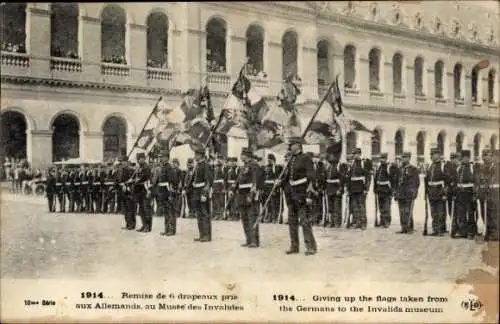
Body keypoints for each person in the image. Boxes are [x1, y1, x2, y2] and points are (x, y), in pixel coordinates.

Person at [280, 136, 317, 255]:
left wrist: (309, 195)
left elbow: (311, 177)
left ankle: (311, 247)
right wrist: (279, 183)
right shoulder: (291, 159)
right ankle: (294, 246)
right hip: (291, 196)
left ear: (298, 145)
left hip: (301, 195)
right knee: (292, 222)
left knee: (305, 222)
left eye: (291, 145)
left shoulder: (306, 158)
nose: (290, 147)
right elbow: (287, 178)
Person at [238, 148, 261, 248]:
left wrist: (251, 195)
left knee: (252, 217)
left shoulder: (254, 165)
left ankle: (254, 241)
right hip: (242, 195)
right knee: (245, 218)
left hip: (249, 195)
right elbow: (239, 180)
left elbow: (255, 182)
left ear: (246, 155)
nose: (241, 156)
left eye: (242, 154)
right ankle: (248, 239)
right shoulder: (245, 166)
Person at [452, 150, 477, 239]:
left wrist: (475, 194)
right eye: (462, 158)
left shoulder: (472, 167)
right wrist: (455, 190)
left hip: (469, 192)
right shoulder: (458, 168)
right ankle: (463, 231)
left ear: (468, 158)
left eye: (465, 158)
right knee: (461, 213)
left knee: (470, 213)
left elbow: (475, 181)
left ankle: (471, 232)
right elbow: (455, 181)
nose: (463, 160)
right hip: (460, 193)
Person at [394, 152, 419, 234]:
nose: (403, 159)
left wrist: (414, 192)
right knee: (401, 211)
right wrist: (395, 192)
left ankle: (409, 227)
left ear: (409, 158)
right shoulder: (399, 169)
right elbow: (396, 181)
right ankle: (403, 227)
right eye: (403, 157)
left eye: (405, 157)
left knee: (408, 211)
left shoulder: (413, 169)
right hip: (400, 193)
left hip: (408, 193)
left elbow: (416, 182)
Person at [192, 147, 213, 242]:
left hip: (202, 192)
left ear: (200, 155)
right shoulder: (197, 166)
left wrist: (204, 194)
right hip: (196, 192)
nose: (194, 156)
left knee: (205, 214)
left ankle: (207, 236)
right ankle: (201, 235)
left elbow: (208, 181)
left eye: (196, 154)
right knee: (199, 215)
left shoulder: (206, 165)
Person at [425, 148, 447, 236]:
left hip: (440, 191)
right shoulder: (431, 165)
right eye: (431, 154)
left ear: (438, 155)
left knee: (441, 212)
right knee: (433, 212)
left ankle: (441, 229)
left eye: (433, 154)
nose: (431, 156)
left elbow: (447, 181)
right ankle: (435, 229)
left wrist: (445, 193)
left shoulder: (443, 165)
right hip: (431, 192)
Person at [347, 148, 371, 230]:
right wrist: (348, 188)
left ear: (359, 154)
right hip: (353, 189)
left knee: (362, 207)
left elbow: (368, 177)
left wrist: (366, 189)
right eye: (353, 154)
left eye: (355, 154)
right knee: (355, 207)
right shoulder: (352, 163)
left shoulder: (363, 163)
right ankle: (357, 222)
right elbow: (350, 177)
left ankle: (363, 223)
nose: (354, 155)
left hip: (361, 188)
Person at [324, 151, 347, 228]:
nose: (331, 158)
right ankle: (332, 221)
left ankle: (337, 222)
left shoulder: (339, 166)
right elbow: (326, 178)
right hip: (329, 189)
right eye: (330, 157)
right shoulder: (328, 167)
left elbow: (342, 179)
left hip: (336, 189)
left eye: (332, 156)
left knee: (337, 207)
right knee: (330, 207)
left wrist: (340, 189)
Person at [374, 153, 397, 228]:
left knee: (386, 207)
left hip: (387, 190)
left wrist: (393, 190)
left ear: (386, 159)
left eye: (383, 158)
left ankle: (387, 222)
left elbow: (393, 179)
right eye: (381, 158)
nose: (381, 160)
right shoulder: (379, 167)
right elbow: (376, 178)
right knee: (381, 207)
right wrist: (375, 188)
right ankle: (382, 221)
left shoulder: (389, 167)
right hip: (379, 189)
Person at [133, 153, 153, 233]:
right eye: (138, 159)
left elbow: (144, 178)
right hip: (139, 191)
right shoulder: (139, 167)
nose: (139, 160)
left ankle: (148, 227)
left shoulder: (146, 167)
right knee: (141, 209)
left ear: (144, 159)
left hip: (145, 190)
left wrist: (136, 181)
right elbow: (135, 177)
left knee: (146, 209)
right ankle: (144, 225)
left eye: (141, 158)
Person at [262, 154, 283, 223]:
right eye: (268, 160)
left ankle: (275, 217)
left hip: (274, 186)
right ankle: (269, 217)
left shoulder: (277, 167)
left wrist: (277, 185)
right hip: (266, 187)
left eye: (270, 160)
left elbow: (278, 176)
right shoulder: (265, 167)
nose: (269, 161)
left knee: (275, 202)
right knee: (268, 203)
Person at [484, 150, 499, 241]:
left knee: (496, 213)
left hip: (497, 192)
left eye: (492, 156)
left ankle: (497, 233)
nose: (491, 158)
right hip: (491, 192)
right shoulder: (490, 167)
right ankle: (492, 232)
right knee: (491, 212)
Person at [118, 156, 136, 230]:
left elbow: (134, 180)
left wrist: (127, 184)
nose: (122, 163)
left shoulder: (131, 170)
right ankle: (128, 224)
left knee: (130, 208)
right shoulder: (121, 170)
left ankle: (132, 224)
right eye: (121, 162)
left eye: (123, 161)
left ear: (127, 162)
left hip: (129, 191)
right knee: (125, 209)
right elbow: (119, 180)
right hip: (123, 191)